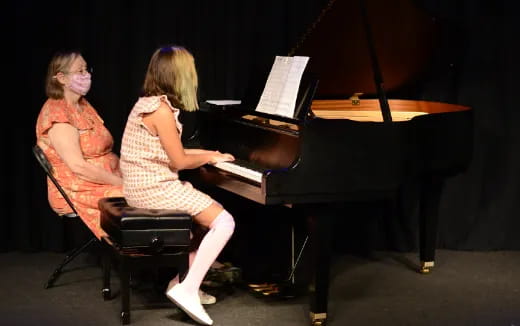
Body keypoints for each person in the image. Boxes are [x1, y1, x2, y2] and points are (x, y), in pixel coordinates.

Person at [119, 45, 235, 326]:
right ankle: (188, 288)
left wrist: (210, 154)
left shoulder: (148, 103)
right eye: (190, 71)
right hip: (152, 188)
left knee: (206, 219)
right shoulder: (160, 110)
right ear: (178, 75)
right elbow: (180, 160)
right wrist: (209, 156)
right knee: (225, 222)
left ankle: (179, 282)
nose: (194, 76)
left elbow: (174, 153)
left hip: (143, 184)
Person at [35, 50, 123, 239]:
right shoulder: (58, 113)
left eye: (87, 69)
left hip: (106, 177)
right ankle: (139, 257)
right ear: (61, 78)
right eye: (80, 71)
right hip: (78, 187)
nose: (87, 75)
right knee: (144, 197)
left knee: (155, 184)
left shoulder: (82, 105)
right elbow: (78, 166)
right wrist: (122, 183)